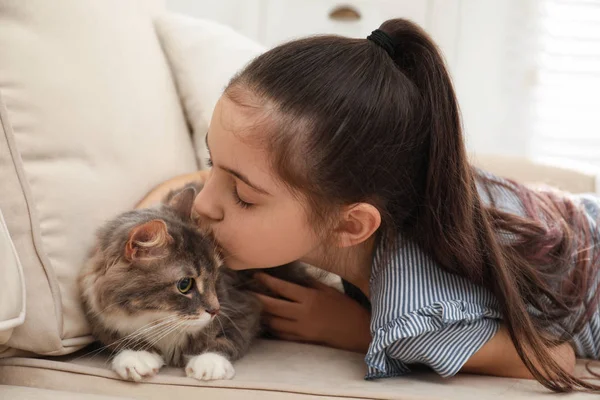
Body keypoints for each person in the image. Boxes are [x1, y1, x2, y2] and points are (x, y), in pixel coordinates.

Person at [136, 19, 600, 392]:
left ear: (351, 224)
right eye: (213, 162)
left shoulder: (413, 311)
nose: (204, 204)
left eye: (242, 196)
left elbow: (552, 355)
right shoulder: (398, 176)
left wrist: (360, 330)